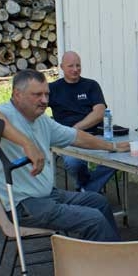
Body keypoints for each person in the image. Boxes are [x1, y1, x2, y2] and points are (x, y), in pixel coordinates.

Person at [0, 69, 130, 242]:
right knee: (93, 219)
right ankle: (106, 258)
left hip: (47, 196)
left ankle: (111, 252)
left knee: (98, 202)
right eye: (37, 95)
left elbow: (76, 137)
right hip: (23, 205)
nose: (45, 100)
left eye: (47, 94)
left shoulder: (42, 120)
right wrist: (27, 144)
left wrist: (112, 146)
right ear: (17, 94)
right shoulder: (5, 114)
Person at [49, 51, 115, 193]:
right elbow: (35, 108)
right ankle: (89, 189)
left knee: (118, 158)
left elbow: (100, 112)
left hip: (95, 135)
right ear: (61, 67)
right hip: (68, 138)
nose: (75, 69)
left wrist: (76, 128)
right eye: (71, 66)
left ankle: (86, 190)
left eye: (78, 65)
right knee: (74, 162)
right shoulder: (52, 89)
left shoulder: (91, 85)